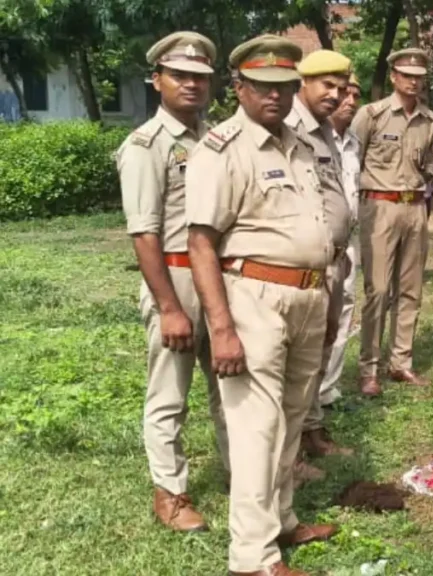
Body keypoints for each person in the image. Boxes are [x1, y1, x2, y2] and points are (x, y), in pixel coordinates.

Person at [185, 34, 337, 576]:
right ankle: (251, 558)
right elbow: (200, 242)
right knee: (256, 428)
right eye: (262, 86)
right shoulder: (222, 149)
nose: (274, 95)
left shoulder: (299, 143)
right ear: (239, 87)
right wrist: (222, 328)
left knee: (292, 419)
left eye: (284, 86)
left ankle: (283, 521)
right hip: (252, 298)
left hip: (307, 295)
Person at [116, 31, 229, 533]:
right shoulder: (145, 145)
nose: (191, 85)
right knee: (170, 393)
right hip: (177, 277)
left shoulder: (216, 136)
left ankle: (240, 472)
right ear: (156, 80)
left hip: (221, 278)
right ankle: (171, 494)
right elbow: (145, 234)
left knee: (231, 384)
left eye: (200, 77)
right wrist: (169, 307)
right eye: (180, 75)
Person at [352, 47, 433, 396]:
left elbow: (429, 168)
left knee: (410, 289)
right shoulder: (371, 115)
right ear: (394, 77)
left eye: (419, 76)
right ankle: (368, 369)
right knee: (378, 290)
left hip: (415, 207)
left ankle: (400, 363)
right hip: (380, 206)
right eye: (407, 75)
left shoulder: (429, 121)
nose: (413, 81)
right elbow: (351, 163)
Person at [285, 49, 356, 484]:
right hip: (300, 267)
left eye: (342, 87)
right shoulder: (289, 128)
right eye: (326, 85)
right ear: (302, 85)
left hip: (332, 261)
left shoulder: (324, 129)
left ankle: (311, 431)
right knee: (295, 362)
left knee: (319, 351)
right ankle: (287, 455)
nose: (336, 94)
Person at [316, 73, 363, 407]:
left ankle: (328, 388)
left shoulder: (354, 143)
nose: (349, 101)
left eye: (355, 95)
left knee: (344, 309)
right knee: (319, 314)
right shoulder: (312, 139)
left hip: (349, 241)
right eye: (344, 94)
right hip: (318, 242)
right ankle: (309, 396)